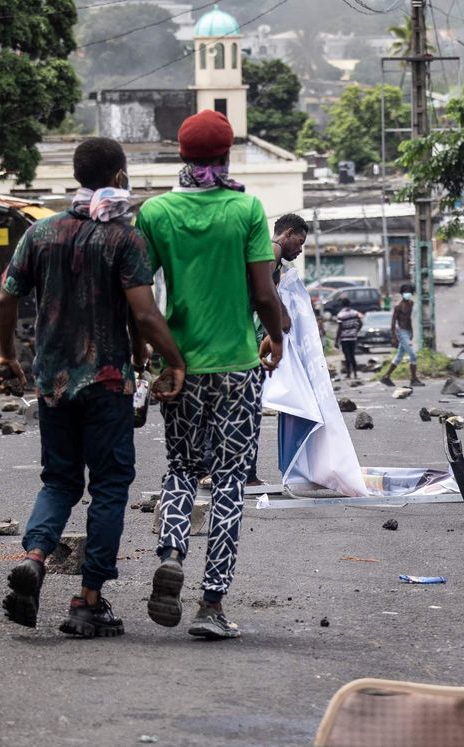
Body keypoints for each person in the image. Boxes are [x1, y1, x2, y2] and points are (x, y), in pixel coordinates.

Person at [0, 138, 187, 638]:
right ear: (120, 176)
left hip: (53, 382)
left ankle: (35, 559)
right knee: (108, 487)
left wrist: (7, 355)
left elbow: (7, 300)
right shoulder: (124, 239)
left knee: (59, 480)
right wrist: (172, 360)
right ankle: (88, 599)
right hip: (106, 382)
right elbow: (142, 313)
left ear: (78, 176)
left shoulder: (40, 233)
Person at [135, 109, 283, 641]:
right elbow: (264, 293)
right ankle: (211, 603)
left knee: (179, 469)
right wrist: (277, 337)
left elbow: (139, 295)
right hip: (239, 369)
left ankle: (172, 551)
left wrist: (147, 354)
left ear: (181, 156)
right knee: (227, 484)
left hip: (181, 366)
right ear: (227, 156)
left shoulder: (155, 213)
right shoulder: (246, 209)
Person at [245, 213, 309, 487]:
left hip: (247, 334)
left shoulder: (272, 257)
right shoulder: (270, 250)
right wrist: (280, 320)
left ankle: (246, 472)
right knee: (245, 406)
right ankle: (242, 473)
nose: (301, 249)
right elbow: (265, 291)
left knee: (247, 405)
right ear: (289, 233)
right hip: (245, 338)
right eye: (300, 241)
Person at [376, 288, 419, 388]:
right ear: (402, 293)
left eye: (409, 292)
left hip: (407, 331)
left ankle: (386, 376)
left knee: (399, 356)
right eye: (405, 292)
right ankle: (413, 379)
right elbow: (393, 322)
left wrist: (411, 331)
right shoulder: (398, 306)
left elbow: (409, 319)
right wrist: (393, 336)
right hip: (401, 332)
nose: (407, 294)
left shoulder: (411, 304)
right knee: (413, 355)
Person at [335, 302, 363, 379]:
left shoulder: (340, 315)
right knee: (352, 355)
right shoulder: (355, 313)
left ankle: (348, 374)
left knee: (347, 356)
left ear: (342, 305)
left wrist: (336, 341)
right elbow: (360, 323)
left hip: (344, 338)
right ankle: (355, 373)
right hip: (353, 337)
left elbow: (339, 329)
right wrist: (356, 331)